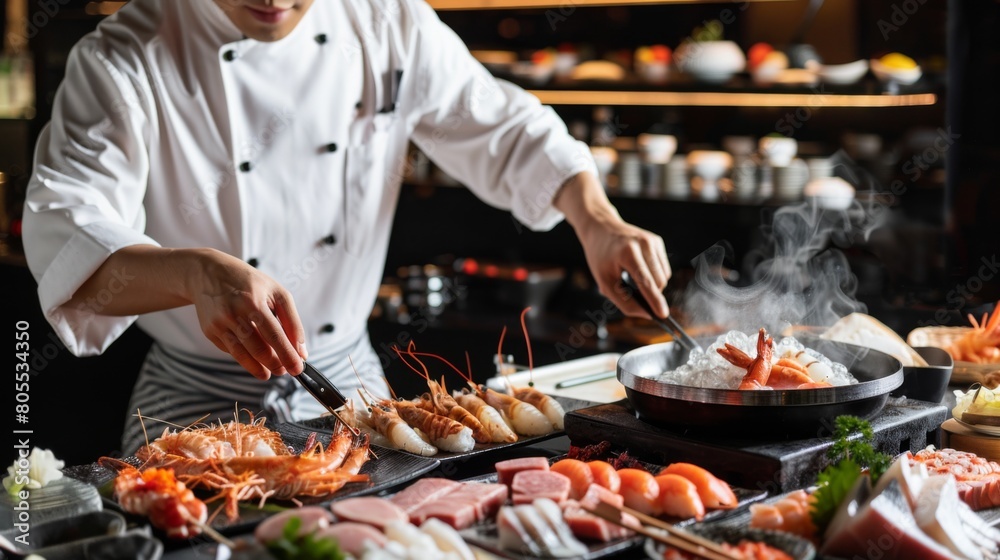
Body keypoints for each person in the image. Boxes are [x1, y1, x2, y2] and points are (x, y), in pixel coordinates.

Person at [23, 0, 671, 454]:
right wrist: (194, 273)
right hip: (193, 397)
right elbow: (68, 236)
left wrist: (597, 219)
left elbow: (504, 127)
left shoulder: (384, 19)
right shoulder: (123, 58)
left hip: (350, 382)